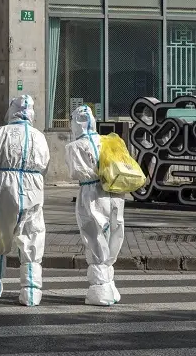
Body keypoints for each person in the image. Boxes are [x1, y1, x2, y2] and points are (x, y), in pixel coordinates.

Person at [0, 95, 50, 306]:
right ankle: (31, 292)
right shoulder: (39, 137)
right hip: (33, 186)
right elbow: (44, 165)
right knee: (32, 236)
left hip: (5, 185)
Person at [65, 105, 125, 306]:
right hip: (114, 192)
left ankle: (100, 290)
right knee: (112, 235)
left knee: (94, 236)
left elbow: (74, 173)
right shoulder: (105, 140)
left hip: (91, 193)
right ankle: (109, 285)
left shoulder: (74, 147)